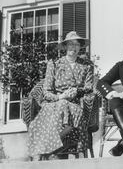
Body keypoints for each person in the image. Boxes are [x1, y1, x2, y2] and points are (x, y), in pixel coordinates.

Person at [28, 31, 94, 159]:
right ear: (65, 47)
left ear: (80, 47)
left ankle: (47, 149)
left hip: (75, 104)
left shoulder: (86, 65)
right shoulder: (54, 64)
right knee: (59, 105)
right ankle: (53, 149)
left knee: (65, 106)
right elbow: (46, 92)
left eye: (76, 44)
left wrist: (77, 91)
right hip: (54, 103)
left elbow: (89, 87)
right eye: (70, 44)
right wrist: (60, 96)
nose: (73, 47)